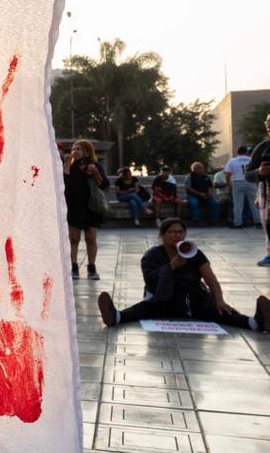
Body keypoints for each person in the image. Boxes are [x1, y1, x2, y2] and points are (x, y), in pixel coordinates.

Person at [98, 218, 269, 332]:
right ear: (163, 235)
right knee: (143, 309)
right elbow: (150, 281)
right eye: (171, 232)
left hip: (192, 299)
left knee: (219, 311)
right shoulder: (152, 255)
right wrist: (171, 266)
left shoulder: (194, 252)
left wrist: (219, 300)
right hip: (163, 299)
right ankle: (116, 316)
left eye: (180, 232)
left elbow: (210, 279)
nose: (176, 235)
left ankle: (255, 322)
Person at [63, 139, 107, 280]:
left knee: (91, 238)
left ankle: (91, 267)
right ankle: (74, 267)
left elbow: (104, 185)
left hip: (91, 207)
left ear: (87, 152)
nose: (75, 151)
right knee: (74, 239)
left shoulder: (94, 166)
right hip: (74, 206)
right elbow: (63, 184)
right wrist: (66, 164)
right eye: (73, 149)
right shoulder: (70, 166)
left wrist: (95, 173)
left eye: (79, 149)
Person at [248, 113, 270, 266]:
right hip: (267, 195)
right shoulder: (263, 148)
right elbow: (248, 174)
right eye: (268, 123)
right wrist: (259, 172)